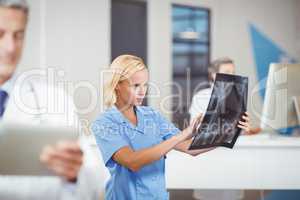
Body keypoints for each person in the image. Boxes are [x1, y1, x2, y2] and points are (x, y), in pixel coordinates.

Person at [91, 54, 250, 200]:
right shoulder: (104, 123)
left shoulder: (151, 116)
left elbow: (190, 148)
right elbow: (133, 161)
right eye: (135, 85)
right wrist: (183, 134)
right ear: (118, 85)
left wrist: (229, 130)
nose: (142, 92)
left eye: (145, 85)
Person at [0, 1, 107, 199]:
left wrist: (74, 174)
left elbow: (93, 183)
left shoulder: (54, 100)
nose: (10, 47)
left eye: (19, 35)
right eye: (0, 34)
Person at [189, 57, 261, 200]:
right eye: (227, 72)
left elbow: (239, 132)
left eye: (233, 72)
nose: (233, 76)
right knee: (208, 196)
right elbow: (193, 131)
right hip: (209, 161)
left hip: (233, 162)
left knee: (232, 196)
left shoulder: (238, 97)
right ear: (214, 75)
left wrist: (245, 129)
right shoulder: (201, 97)